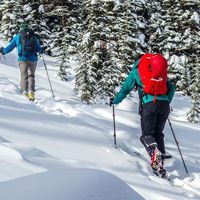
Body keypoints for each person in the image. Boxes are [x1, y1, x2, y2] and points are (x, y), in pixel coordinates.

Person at [110, 53, 175, 177]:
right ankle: (159, 165)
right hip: (164, 105)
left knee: (147, 135)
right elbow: (171, 88)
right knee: (158, 134)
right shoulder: (159, 72)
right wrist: (166, 101)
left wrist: (115, 101)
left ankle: (156, 155)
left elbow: (125, 89)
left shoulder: (137, 72)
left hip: (149, 105)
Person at [0, 23, 42, 101]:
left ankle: (24, 91)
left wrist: (3, 51)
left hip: (22, 59)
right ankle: (31, 92)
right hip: (33, 59)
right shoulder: (33, 37)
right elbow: (38, 48)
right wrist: (40, 51)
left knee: (24, 75)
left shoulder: (18, 36)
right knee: (31, 76)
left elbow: (10, 47)